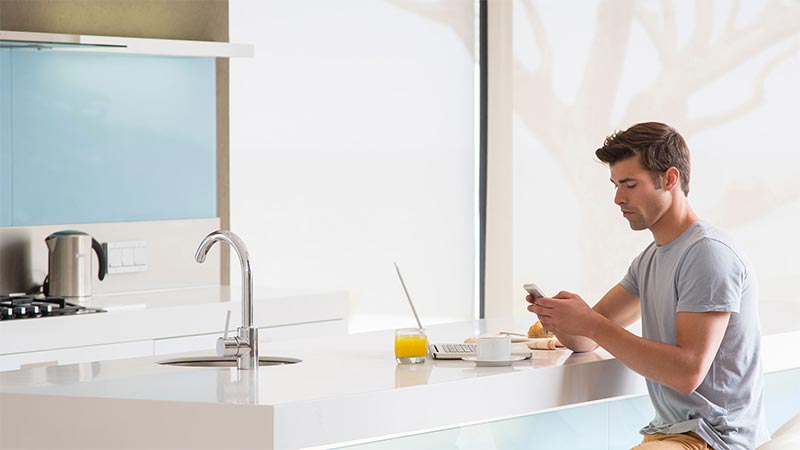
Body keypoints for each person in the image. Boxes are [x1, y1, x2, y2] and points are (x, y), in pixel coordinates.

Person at [527, 122, 769, 450]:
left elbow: (687, 373)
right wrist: (560, 319)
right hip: (671, 433)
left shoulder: (708, 254)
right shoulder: (650, 260)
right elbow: (586, 338)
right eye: (615, 185)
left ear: (670, 179)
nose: (617, 198)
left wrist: (591, 323)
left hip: (716, 439)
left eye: (629, 184)